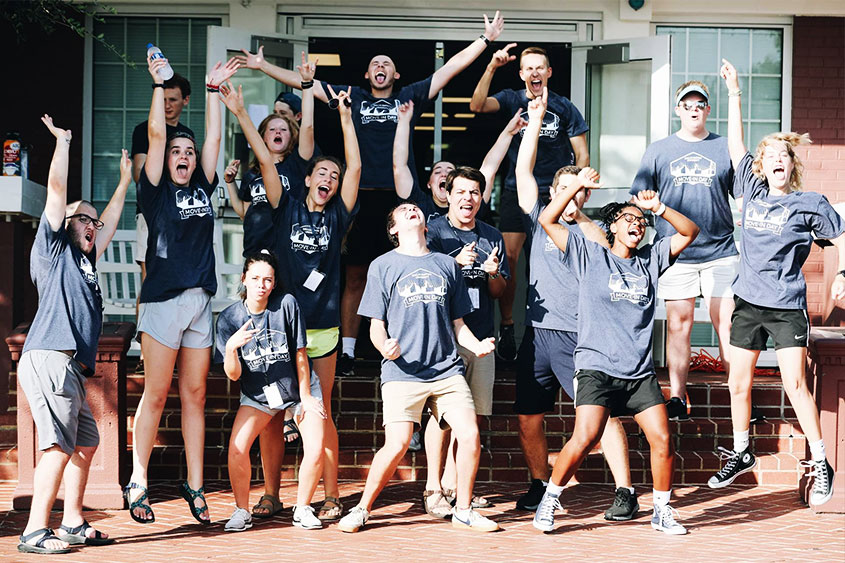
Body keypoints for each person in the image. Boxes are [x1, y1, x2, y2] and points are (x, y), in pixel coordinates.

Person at [236, 12, 506, 377]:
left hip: (399, 199)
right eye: (375, 64)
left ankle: (402, 346)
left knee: (407, 275)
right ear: (367, 75)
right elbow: (308, 84)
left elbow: (450, 70)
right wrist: (263, 65)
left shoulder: (408, 96)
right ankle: (348, 350)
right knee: (355, 277)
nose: (380, 67)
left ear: (395, 76)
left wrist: (484, 40)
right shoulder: (355, 97)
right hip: (358, 198)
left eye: (387, 64)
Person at [533, 147, 699, 535]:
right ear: (612, 227)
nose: (637, 224)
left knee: (662, 438)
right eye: (628, 218)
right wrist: (574, 184)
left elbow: (690, 232)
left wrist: (659, 209)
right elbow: (547, 218)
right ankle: (550, 499)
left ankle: (661, 510)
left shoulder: (651, 260)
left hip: (638, 372)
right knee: (586, 436)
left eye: (641, 221)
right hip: (597, 367)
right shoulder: (590, 255)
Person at [223, 77, 361, 522]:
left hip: (321, 328)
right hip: (280, 326)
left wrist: (344, 116)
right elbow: (265, 160)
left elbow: (356, 168)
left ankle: (333, 493)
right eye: (322, 172)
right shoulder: (286, 206)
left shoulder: (338, 215)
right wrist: (242, 113)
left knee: (319, 412)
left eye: (333, 177)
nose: (329, 178)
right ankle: (271, 494)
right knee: (270, 411)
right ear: (306, 179)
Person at [707, 60, 844, 507]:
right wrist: (733, 93)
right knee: (738, 383)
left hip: (786, 305)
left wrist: (841, 273)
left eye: (782, 157)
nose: (774, 163)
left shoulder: (810, 203)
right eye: (768, 158)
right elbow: (735, 145)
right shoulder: (751, 189)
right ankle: (743, 450)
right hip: (747, 302)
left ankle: (821, 460)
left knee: (795, 385)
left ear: (791, 165)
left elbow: (839, 236)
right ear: (762, 167)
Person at [512, 91, 639, 521]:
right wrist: (533, 121)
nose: (571, 198)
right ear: (553, 192)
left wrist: (580, 206)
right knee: (529, 417)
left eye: (579, 192)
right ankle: (539, 483)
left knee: (600, 418)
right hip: (538, 334)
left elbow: (606, 248)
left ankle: (625, 490)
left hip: (580, 338)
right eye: (563, 190)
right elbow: (522, 169)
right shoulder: (537, 217)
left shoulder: (593, 230)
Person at [125, 53, 238, 525]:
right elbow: (155, 134)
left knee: (195, 395)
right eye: (177, 152)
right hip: (163, 302)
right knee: (155, 393)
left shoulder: (203, 185)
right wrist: (159, 84)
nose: (184, 156)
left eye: (188, 153)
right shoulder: (154, 189)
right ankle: (139, 481)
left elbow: (213, 136)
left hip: (199, 303)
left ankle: (194, 482)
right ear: (163, 159)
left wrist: (213, 92)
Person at [337, 202, 498, 533]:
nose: (412, 210)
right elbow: (375, 325)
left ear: (425, 224)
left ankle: (464, 509)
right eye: (403, 210)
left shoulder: (446, 265)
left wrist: (477, 345)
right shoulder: (383, 265)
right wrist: (384, 347)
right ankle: (362, 508)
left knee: (469, 434)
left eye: (415, 209)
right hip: (402, 371)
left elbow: (458, 325)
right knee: (397, 443)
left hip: (446, 370)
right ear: (394, 229)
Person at [16, 115, 131, 554]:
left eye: (93, 222)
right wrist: (62, 144)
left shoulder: (86, 260)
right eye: (84, 220)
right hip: (50, 355)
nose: (92, 225)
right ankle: (34, 531)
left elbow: (111, 221)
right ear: (66, 222)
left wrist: (123, 182)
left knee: (85, 441)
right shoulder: (52, 249)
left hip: (70, 367)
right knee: (57, 447)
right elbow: (58, 193)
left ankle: (73, 523)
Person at [470, 44, 589, 362]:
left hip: (555, 195)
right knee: (509, 259)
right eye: (529, 68)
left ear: (549, 72)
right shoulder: (511, 99)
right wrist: (491, 67)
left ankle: (550, 330)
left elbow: (583, 154)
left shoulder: (564, 107)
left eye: (541, 67)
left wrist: (576, 189)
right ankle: (507, 326)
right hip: (516, 190)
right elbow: (477, 104)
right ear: (521, 73)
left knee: (549, 258)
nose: (535, 73)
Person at [631, 80, 738, 421]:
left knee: (728, 324)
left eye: (700, 104)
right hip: (676, 250)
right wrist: (647, 204)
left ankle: (739, 396)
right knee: (680, 324)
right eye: (687, 104)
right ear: (678, 109)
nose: (694, 109)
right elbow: (640, 194)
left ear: (708, 110)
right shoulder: (659, 149)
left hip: (720, 249)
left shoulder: (724, 148)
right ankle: (677, 397)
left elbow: (745, 193)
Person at [216, 251, 327, 531]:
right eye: (255, 278)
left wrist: (305, 397)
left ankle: (303, 508)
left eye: (267, 279)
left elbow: (301, 354)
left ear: (274, 283)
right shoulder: (229, 318)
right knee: (237, 447)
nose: (261, 285)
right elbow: (234, 375)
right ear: (243, 279)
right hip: (259, 395)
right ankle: (241, 510)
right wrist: (231, 347)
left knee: (315, 444)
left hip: (297, 386)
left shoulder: (286, 305)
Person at [422, 166, 510, 518]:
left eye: (474, 192)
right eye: (460, 192)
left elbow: (499, 290)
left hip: (481, 334)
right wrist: (452, 263)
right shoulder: (434, 231)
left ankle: (457, 487)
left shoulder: (492, 235)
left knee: (470, 415)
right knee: (441, 416)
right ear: (447, 193)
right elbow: (423, 278)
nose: (467, 199)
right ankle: (432, 487)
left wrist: (491, 273)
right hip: (444, 337)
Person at [392, 100, 523, 223]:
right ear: (429, 184)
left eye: (449, 171)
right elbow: (399, 166)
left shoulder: (469, 205)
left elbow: (489, 169)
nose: (444, 174)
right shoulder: (419, 204)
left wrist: (509, 133)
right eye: (437, 172)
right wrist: (403, 122)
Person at [130, 73, 193, 284]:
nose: (167, 105)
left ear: (186, 100)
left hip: (182, 213)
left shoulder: (187, 135)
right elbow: (139, 174)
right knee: (150, 281)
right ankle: (145, 319)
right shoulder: (143, 130)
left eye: (173, 100)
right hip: (151, 213)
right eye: (163, 100)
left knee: (180, 279)